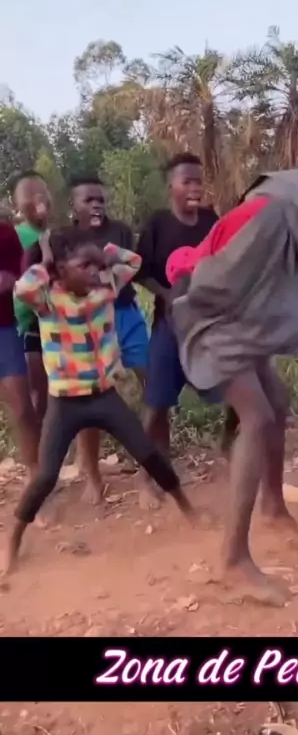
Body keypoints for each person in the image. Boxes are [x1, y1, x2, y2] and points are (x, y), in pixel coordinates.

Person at [166, 156, 298, 606]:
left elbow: (263, 292)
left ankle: (273, 508)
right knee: (256, 417)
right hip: (209, 321)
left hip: (231, 322)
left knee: (276, 397)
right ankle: (233, 560)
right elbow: (217, 280)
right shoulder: (273, 213)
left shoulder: (284, 212)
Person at [5, 227, 197, 575]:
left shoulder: (106, 287)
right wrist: (45, 260)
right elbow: (23, 288)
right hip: (64, 403)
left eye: (96, 264)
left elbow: (133, 261)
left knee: (149, 453)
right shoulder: (47, 298)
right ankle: (13, 542)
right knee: (45, 477)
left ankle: (187, 508)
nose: (94, 271)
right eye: (85, 266)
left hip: (104, 396)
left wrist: (101, 251)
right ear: (60, 270)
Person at [136, 153, 235, 455]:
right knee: (156, 402)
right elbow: (141, 271)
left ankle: (228, 445)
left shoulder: (210, 221)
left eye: (199, 182)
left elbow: (225, 262)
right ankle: (150, 469)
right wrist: (167, 295)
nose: (195, 188)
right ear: (171, 187)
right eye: (187, 181)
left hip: (207, 324)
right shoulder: (158, 224)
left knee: (239, 387)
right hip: (170, 326)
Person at [68, 174, 153, 507]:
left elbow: (130, 267)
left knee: (153, 387)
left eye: (100, 200)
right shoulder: (64, 239)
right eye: (88, 200)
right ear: (73, 206)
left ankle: (148, 473)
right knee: (87, 398)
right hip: (88, 321)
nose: (96, 205)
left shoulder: (120, 231)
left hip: (126, 315)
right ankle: (93, 476)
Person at [0, 220, 40, 481]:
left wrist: (11, 280)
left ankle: (35, 474)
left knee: (23, 408)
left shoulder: (6, 234)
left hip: (4, 328)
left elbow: (22, 276)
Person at [12, 171, 52, 422]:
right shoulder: (14, 235)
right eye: (30, 194)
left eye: (42, 193)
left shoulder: (56, 235)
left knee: (53, 392)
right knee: (36, 393)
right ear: (17, 204)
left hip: (54, 321)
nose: (38, 199)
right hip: (25, 323)